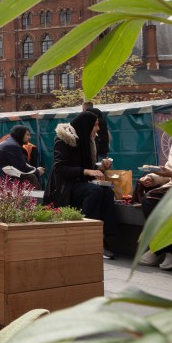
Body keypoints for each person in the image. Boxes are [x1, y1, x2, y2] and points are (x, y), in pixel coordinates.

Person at [44, 110, 118, 258]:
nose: (97, 129)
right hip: (64, 186)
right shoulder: (64, 139)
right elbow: (60, 168)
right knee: (94, 191)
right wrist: (88, 172)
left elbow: (88, 167)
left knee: (108, 192)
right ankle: (85, 235)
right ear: (86, 125)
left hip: (80, 183)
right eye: (95, 125)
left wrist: (100, 168)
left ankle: (106, 239)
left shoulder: (88, 141)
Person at [138, 106, 172, 269]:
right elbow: (168, 169)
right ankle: (162, 247)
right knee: (147, 194)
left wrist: (171, 173)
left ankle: (170, 248)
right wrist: (152, 178)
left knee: (151, 200)